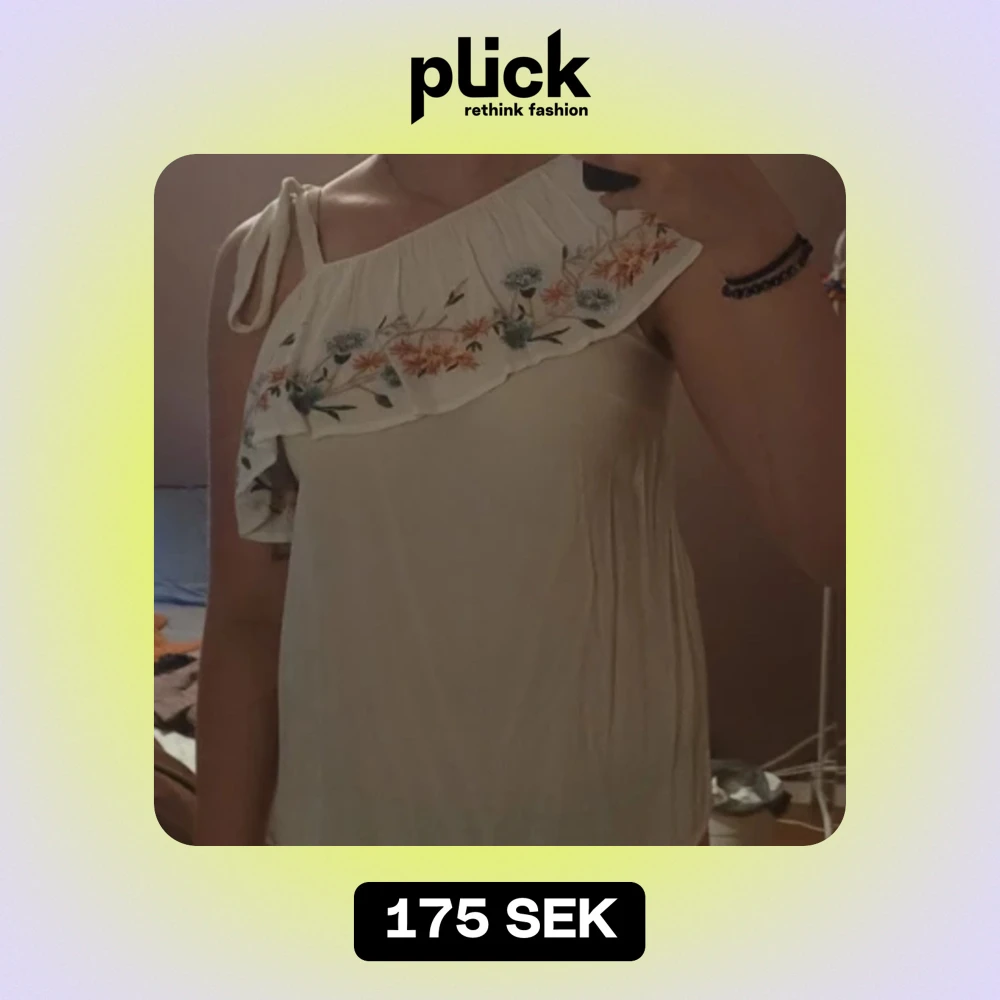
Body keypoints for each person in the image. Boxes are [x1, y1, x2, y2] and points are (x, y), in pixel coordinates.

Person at [195, 154, 844, 846]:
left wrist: (756, 234)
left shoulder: (654, 199)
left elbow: (841, 544)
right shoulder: (270, 262)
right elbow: (248, 616)